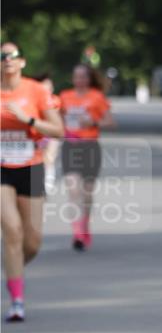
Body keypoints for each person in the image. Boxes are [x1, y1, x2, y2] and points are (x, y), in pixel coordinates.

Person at [1, 43, 64, 322]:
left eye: (11, 56)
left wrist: (26, 118)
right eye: (1, 57)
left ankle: (13, 269)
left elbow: (58, 130)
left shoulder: (36, 91)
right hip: (2, 168)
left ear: (22, 61)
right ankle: (17, 301)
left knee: (32, 242)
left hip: (32, 166)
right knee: (12, 232)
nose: (6, 61)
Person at [59, 63, 114, 250]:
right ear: (73, 78)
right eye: (77, 76)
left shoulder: (96, 97)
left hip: (90, 146)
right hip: (71, 146)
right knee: (73, 190)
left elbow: (110, 122)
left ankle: (85, 224)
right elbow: (56, 119)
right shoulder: (65, 97)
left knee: (87, 192)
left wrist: (93, 121)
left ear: (89, 79)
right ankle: (77, 233)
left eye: (83, 76)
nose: (80, 80)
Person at [32, 72, 61, 194]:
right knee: (38, 158)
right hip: (36, 135)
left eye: (49, 87)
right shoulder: (32, 101)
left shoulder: (56, 100)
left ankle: (48, 183)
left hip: (51, 134)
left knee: (49, 157)